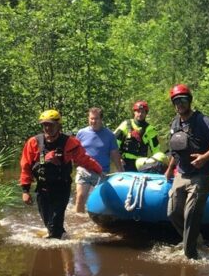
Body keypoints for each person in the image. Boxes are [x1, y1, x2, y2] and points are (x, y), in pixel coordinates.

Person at [164, 84, 209, 259]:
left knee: (191, 214)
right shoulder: (175, 123)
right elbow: (175, 151)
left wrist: (205, 157)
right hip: (181, 174)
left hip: (201, 175)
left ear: (189, 101)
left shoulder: (202, 120)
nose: (180, 104)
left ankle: (190, 256)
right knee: (173, 212)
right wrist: (169, 169)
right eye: (176, 101)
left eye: (183, 100)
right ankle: (195, 239)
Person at [20, 109, 102, 239]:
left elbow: (84, 159)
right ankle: (61, 237)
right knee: (50, 224)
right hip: (43, 188)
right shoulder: (34, 142)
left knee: (55, 224)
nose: (48, 128)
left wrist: (99, 170)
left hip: (62, 187)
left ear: (59, 125)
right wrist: (25, 190)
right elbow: (26, 166)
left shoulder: (70, 142)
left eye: (51, 125)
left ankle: (57, 247)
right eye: (45, 125)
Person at [74, 107, 124, 213]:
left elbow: (114, 154)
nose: (93, 121)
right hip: (84, 170)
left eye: (96, 119)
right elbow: (74, 151)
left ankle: (95, 222)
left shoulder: (110, 135)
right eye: (91, 118)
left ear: (101, 119)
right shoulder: (81, 133)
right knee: (80, 198)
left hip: (102, 172)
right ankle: (79, 223)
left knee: (100, 203)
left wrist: (120, 170)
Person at [114, 101, 161, 172]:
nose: (140, 114)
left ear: (146, 114)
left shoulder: (150, 129)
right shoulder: (126, 124)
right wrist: (118, 159)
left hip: (142, 164)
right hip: (125, 162)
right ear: (134, 112)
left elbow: (156, 150)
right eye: (138, 111)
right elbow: (114, 143)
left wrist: (157, 162)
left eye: (143, 112)